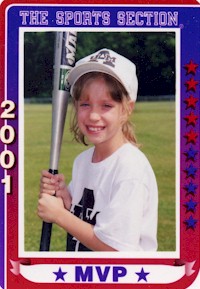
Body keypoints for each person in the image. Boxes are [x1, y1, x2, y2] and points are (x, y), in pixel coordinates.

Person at [37, 48, 158, 252]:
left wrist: (59, 215)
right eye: (85, 104)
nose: (93, 116)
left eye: (106, 105)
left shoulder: (130, 168)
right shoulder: (83, 161)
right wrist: (65, 199)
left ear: (127, 109)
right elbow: (87, 216)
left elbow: (116, 250)